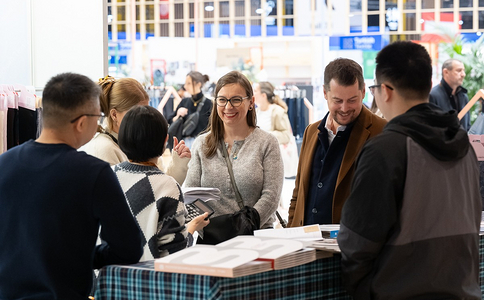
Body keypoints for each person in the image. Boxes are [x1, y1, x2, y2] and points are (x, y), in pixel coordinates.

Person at [338, 41, 482, 299]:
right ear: (429, 85)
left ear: (385, 90)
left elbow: (357, 241)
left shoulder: (385, 150)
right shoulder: (464, 147)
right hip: (463, 291)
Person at [0, 73, 143, 299]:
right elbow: (129, 248)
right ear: (81, 122)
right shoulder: (94, 173)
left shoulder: (4, 164)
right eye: (97, 117)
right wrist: (85, 255)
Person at [184, 70, 284, 243]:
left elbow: (271, 196)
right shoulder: (202, 144)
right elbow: (192, 194)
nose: (228, 107)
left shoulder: (267, 143)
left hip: (257, 239)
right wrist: (211, 225)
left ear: (251, 102)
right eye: (222, 100)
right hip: (212, 240)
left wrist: (244, 225)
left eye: (236, 100)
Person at [287, 58, 387, 227]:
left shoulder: (382, 132)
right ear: (325, 94)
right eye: (338, 101)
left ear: (363, 92)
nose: (345, 108)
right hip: (305, 244)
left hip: (351, 246)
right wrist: (291, 229)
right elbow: (298, 192)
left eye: (352, 100)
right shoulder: (311, 132)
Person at [113, 105, 209, 261]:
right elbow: (174, 254)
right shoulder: (168, 186)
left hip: (105, 278)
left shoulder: (108, 175)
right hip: (146, 280)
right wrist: (192, 228)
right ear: (165, 140)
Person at [81, 76, 190, 185]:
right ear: (114, 114)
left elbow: (162, 187)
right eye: (135, 113)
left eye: (146, 111)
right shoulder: (103, 149)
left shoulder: (142, 138)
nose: (144, 119)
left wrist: (178, 165)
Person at [253, 81, 297, 178]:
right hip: (258, 160)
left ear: (263, 95)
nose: (253, 93)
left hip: (273, 160)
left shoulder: (277, 111)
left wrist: (265, 136)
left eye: (255, 91)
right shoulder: (256, 112)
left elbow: (286, 136)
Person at [167, 71, 213, 149]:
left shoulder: (209, 104)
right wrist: (178, 115)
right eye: (185, 83)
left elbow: (213, 127)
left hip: (203, 146)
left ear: (198, 84)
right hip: (184, 146)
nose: (185, 86)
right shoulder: (184, 102)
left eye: (189, 83)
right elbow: (170, 120)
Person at [429, 58, 470, 131]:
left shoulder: (464, 96)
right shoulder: (433, 95)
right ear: (446, 72)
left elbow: (467, 126)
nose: (463, 74)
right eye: (459, 70)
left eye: (463, 70)